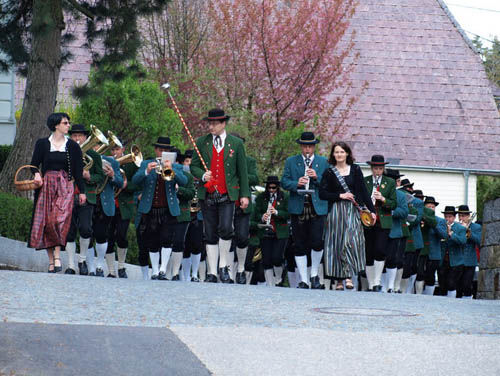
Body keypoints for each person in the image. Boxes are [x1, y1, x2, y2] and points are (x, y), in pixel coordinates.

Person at [190, 109, 250, 283]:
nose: (211, 126)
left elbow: (243, 171)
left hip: (227, 194)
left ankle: (223, 266)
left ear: (223, 124)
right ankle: (212, 272)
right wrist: (202, 175)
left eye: (215, 123)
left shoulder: (236, 143)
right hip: (207, 194)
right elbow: (194, 166)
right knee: (209, 233)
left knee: (225, 228)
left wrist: (244, 195)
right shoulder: (201, 142)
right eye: (209, 123)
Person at [28, 113, 86, 273]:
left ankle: (58, 255)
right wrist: (37, 174)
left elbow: (78, 171)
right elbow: (33, 165)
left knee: (57, 220)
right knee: (46, 221)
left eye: (68, 123)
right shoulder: (42, 144)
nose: (68, 125)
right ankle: (51, 261)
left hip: (64, 187)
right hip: (46, 186)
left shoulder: (72, 146)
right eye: (65, 123)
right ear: (56, 125)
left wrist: (82, 191)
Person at [319, 142, 376, 290]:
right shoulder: (329, 172)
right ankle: (339, 280)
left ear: (347, 154)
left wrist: (372, 211)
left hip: (353, 210)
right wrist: (340, 195)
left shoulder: (355, 170)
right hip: (336, 211)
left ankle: (349, 275)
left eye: (342, 152)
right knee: (337, 244)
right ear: (333, 154)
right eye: (336, 152)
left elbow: (363, 191)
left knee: (352, 241)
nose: (339, 155)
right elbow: (322, 194)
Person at [132, 136, 188, 280]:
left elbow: (184, 181)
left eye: (165, 150)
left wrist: (171, 170)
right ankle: (155, 270)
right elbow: (135, 180)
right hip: (150, 208)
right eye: (160, 149)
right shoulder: (146, 163)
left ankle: (163, 269)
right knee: (152, 240)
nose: (162, 152)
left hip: (168, 209)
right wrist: (147, 172)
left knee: (166, 238)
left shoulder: (176, 166)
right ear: (156, 150)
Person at [281, 131, 329, 289]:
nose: (307, 150)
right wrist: (296, 183)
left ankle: (314, 274)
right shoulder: (291, 161)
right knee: (299, 243)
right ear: (300, 146)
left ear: (314, 147)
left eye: (310, 146)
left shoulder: (323, 162)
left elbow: (329, 184)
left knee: (317, 241)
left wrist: (316, 177)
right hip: (298, 206)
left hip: (317, 207)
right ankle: (303, 279)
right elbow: (284, 182)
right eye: (304, 146)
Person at [65, 123, 104, 275]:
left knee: (86, 229)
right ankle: (70, 265)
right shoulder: (66, 152)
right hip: (68, 195)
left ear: (86, 138)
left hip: (87, 196)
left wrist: (89, 176)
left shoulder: (94, 156)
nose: (77, 138)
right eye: (74, 136)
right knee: (69, 231)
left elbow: (100, 176)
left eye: (80, 136)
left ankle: (81, 260)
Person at [106, 141, 142, 278]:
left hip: (124, 205)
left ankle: (121, 266)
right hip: (110, 203)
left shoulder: (131, 164)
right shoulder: (107, 162)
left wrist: (126, 185)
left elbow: (137, 184)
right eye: (113, 150)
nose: (115, 152)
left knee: (121, 235)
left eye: (117, 149)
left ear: (123, 149)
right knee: (108, 236)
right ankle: (110, 270)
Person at [363, 155, 397, 292]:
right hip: (367, 219)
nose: (378, 171)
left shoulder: (389, 182)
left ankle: (377, 281)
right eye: (375, 168)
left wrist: (383, 199)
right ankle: (371, 283)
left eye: (380, 168)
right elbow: (359, 199)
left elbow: (394, 203)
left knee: (380, 250)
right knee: (368, 251)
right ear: (371, 168)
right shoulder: (365, 181)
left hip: (382, 220)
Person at [230, 134, 259, 284]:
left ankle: (241, 268)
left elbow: (255, 178)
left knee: (241, 237)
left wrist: (239, 175)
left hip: (242, 204)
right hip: (225, 203)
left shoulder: (249, 161)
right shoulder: (221, 161)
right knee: (226, 237)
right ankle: (227, 272)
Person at [91, 148, 124, 277]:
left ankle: (99, 264)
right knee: (87, 232)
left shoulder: (112, 162)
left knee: (101, 234)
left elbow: (120, 183)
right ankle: (90, 266)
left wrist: (112, 176)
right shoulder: (88, 159)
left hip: (104, 203)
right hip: (90, 199)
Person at [253, 176, 290, 286]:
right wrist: (263, 217)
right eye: (269, 187)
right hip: (266, 231)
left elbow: (289, 214)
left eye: (274, 188)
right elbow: (256, 213)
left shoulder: (285, 197)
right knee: (266, 260)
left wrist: (277, 212)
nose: (271, 190)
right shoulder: (261, 197)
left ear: (278, 187)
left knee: (277, 258)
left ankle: (278, 279)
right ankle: (270, 284)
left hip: (280, 232)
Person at [382, 169, 409, 293]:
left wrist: (391, 212)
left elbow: (404, 212)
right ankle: (380, 285)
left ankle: (390, 286)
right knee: (379, 256)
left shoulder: (401, 195)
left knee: (393, 258)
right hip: (380, 228)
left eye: (395, 181)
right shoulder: (379, 192)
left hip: (394, 230)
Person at [171, 149, 195, 280]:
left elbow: (191, 193)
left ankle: (175, 272)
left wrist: (178, 189)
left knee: (179, 242)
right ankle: (164, 270)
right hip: (167, 213)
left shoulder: (188, 177)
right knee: (165, 241)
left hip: (182, 214)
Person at [421, 196, 447, 295]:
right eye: (429, 206)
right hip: (422, 251)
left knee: (430, 276)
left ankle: (429, 297)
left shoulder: (439, 220)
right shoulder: (421, 218)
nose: (431, 208)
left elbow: (444, 235)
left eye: (433, 207)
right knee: (420, 274)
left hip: (434, 253)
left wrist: (433, 224)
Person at [440, 206, 467, 298]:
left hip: (456, 261)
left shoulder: (460, 228)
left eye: (450, 217)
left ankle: (451, 301)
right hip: (443, 260)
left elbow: (463, 241)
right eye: (446, 217)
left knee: (451, 283)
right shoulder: (441, 226)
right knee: (442, 284)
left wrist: (452, 234)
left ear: (454, 217)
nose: (448, 219)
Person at [457, 205, 481, 299]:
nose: (461, 218)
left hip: (470, 260)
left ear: (468, 216)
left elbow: (478, 240)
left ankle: (467, 302)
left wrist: (468, 231)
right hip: (458, 259)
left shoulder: (476, 227)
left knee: (467, 284)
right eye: (460, 216)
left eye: (464, 216)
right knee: (458, 285)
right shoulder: (456, 226)